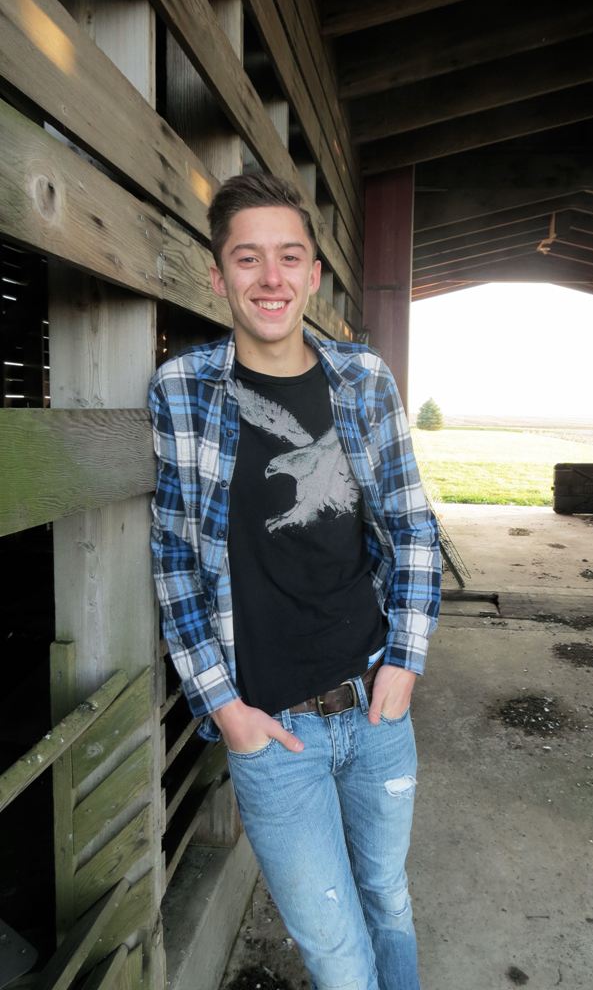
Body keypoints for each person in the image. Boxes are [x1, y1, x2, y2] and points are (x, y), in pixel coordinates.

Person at [149, 172, 441, 990]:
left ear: (314, 274)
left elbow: (413, 526)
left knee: (387, 897)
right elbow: (174, 562)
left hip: (375, 706)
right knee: (336, 954)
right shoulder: (182, 391)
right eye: (248, 258)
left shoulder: (365, 381)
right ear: (218, 275)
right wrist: (225, 710)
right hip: (270, 733)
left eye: (288, 257)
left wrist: (406, 661)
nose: (270, 277)